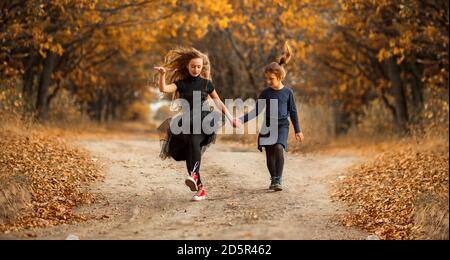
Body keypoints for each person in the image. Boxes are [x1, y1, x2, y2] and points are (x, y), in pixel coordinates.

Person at [154, 47, 241, 201]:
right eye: (193, 66)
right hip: (187, 121)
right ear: (187, 66)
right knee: (189, 149)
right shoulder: (180, 83)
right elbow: (164, 88)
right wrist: (162, 75)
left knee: (194, 141)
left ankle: (193, 176)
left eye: (199, 67)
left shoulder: (206, 84)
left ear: (202, 67)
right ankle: (200, 188)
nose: (196, 69)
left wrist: (230, 118)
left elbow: (218, 102)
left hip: (204, 120)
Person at [238, 42, 304, 191]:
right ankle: (273, 178)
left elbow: (293, 111)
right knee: (270, 154)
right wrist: (240, 120)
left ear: (280, 77)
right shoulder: (266, 93)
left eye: (271, 79)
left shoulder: (288, 93)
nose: (268, 82)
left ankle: (278, 180)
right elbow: (256, 111)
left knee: (279, 147)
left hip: (282, 125)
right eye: (266, 79)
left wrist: (298, 130)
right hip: (267, 126)